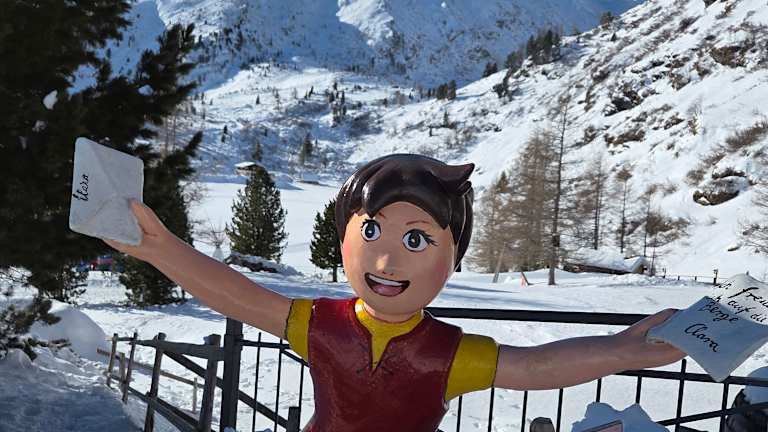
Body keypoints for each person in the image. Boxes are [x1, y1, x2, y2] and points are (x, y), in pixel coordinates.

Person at [105, 154, 684, 432]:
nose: (386, 260)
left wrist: (621, 350)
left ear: (452, 258)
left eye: (416, 239)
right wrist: (161, 248)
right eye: (371, 232)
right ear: (343, 239)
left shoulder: (448, 353)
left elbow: (534, 367)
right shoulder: (320, 323)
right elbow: (238, 296)